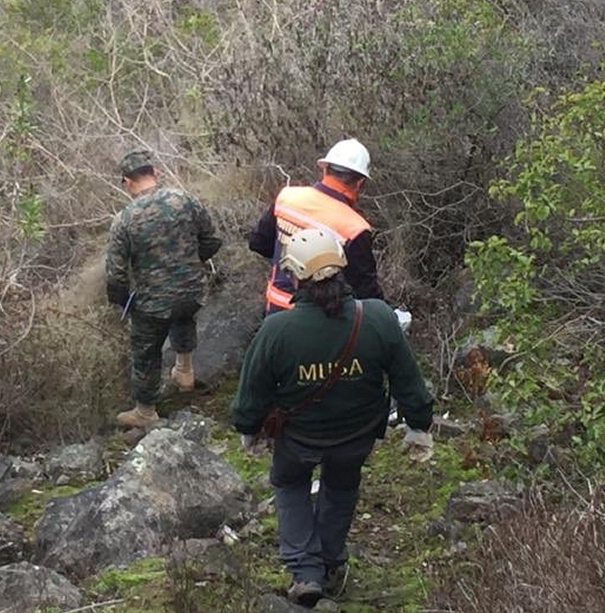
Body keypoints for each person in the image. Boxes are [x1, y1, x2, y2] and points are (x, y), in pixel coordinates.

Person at [232, 227, 435, 608]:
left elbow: (251, 394)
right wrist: (418, 425)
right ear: (341, 267)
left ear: (294, 275)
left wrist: (249, 428)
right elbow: (408, 379)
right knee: (342, 486)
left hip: (299, 438)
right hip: (358, 433)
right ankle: (328, 562)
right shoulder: (378, 317)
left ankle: (305, 572)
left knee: (290, 484)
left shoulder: (277, 329)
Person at [106, 148, 223, 429]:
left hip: (154, 301)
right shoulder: (185, 200)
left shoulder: (125, 219)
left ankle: (145, 411)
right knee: (183, 315)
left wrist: (123, 302)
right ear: (155, 173)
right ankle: (184, 371)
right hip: (193, 290)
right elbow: (212, 240)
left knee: (145, 349)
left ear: (127, 182)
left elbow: (116, 276)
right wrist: (189, 263)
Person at [248, 139, 384, 315]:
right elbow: (366, 291)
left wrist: (284, 261)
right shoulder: (355, 228)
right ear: (360, 183)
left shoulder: (288, 197)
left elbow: (257, 243)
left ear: (325, 169)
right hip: (322, 321)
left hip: (275, 309)